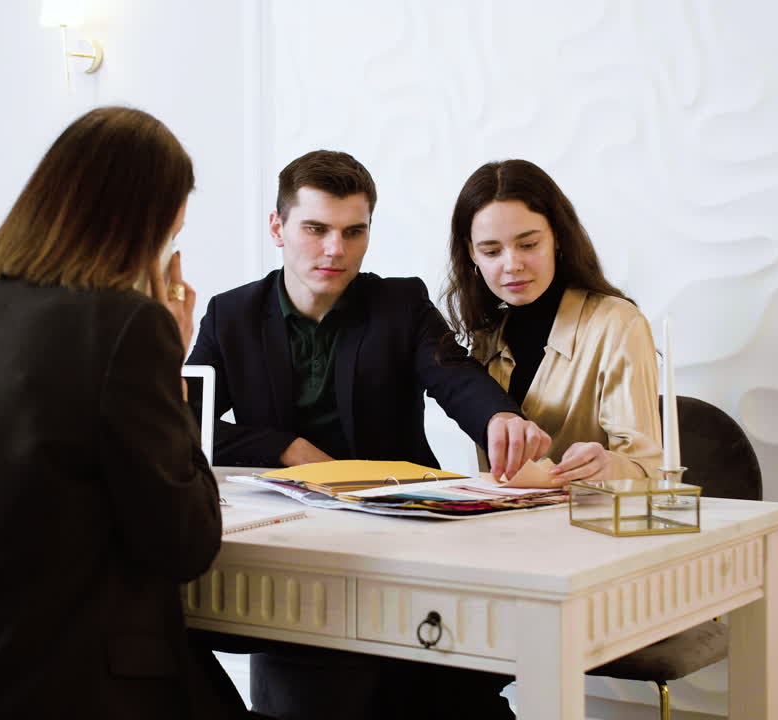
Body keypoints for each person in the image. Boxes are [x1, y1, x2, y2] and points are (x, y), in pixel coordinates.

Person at [0, 106, 244, 719]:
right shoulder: (127, 326)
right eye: (170, 237)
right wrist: (172, 367)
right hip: (56, 686)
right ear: (142, 232)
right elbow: (184, 543)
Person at [188, 150, 544, 719]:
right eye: (316, 229)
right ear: (278, 228)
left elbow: (454, 376)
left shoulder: (399, 303)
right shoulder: (232, 315)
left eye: (354, 232)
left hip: (402, 540)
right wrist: (283, 447)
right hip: (294, 550)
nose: (336, 249)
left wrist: (498, 417)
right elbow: (184, 422)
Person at [442, 158, 662, 485]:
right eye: (491, 251)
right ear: (472, 253)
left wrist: (611, 468)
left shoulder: (618, 324)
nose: (512, 264)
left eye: (528, 244)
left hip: (590, 516)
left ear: (558, 236)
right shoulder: (486, 337)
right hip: (502, 516)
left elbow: (650, 472)